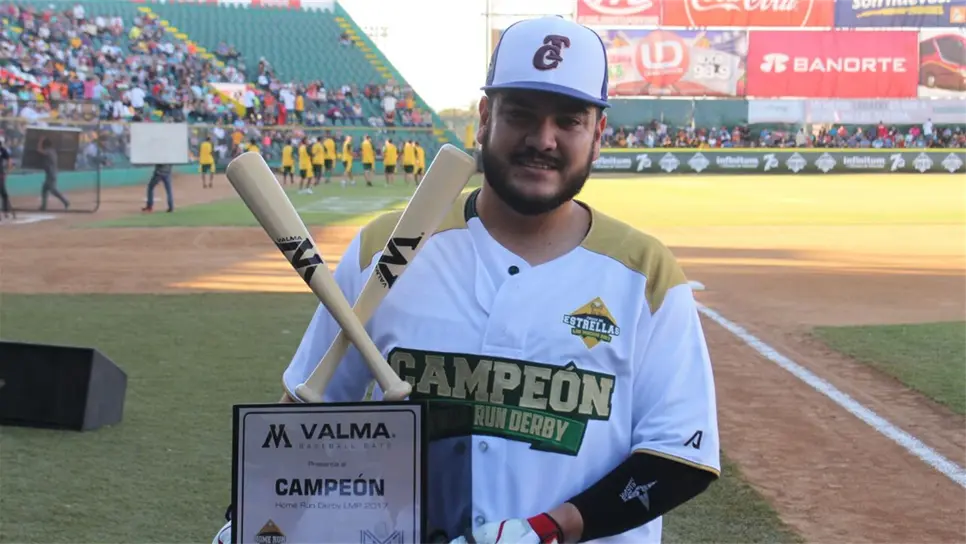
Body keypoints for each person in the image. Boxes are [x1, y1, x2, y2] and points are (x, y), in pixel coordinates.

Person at [211, 15, 719, 544]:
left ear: (597, 135)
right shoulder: (388, 250)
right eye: (520, 114)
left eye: (568, 120)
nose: (542, 139)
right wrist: (249, 516)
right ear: (484, 118)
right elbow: (305, 411)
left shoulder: (645, 274)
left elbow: (680, 455)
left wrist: (547, 530)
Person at [38, 136, 69, 211]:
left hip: (51, 173)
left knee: (53, 190)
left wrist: (40, 141)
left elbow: (39, 150)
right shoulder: (52, 150)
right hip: (51, 173)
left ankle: (65, 202)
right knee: (45, 189)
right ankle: (43, 206)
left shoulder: (49, 151)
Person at [0, 137, 13, 220]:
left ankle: (5, 212)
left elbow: (9, 160)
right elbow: (9, 161)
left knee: (4, 194)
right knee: (4, 194)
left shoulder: (3, 150)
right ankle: (5, 212)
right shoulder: (2, 150)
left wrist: (7, 170)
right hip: (1, 174)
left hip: (1, 174)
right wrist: (7, 171)